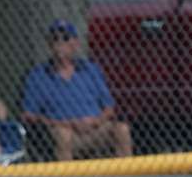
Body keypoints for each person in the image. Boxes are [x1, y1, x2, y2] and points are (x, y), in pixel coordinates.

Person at [21, 18, 134, 167]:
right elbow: (28, 115)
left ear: (75, 43)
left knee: (122, 130)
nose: (60, 43)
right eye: (55, 39)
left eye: (65, 38)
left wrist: (95, 121)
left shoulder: (90, 70)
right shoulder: (39, 75)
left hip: (95, 128)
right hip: (64, 130)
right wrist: (66, 123)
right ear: (49, 43)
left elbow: (109, 108)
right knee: (63, 135)